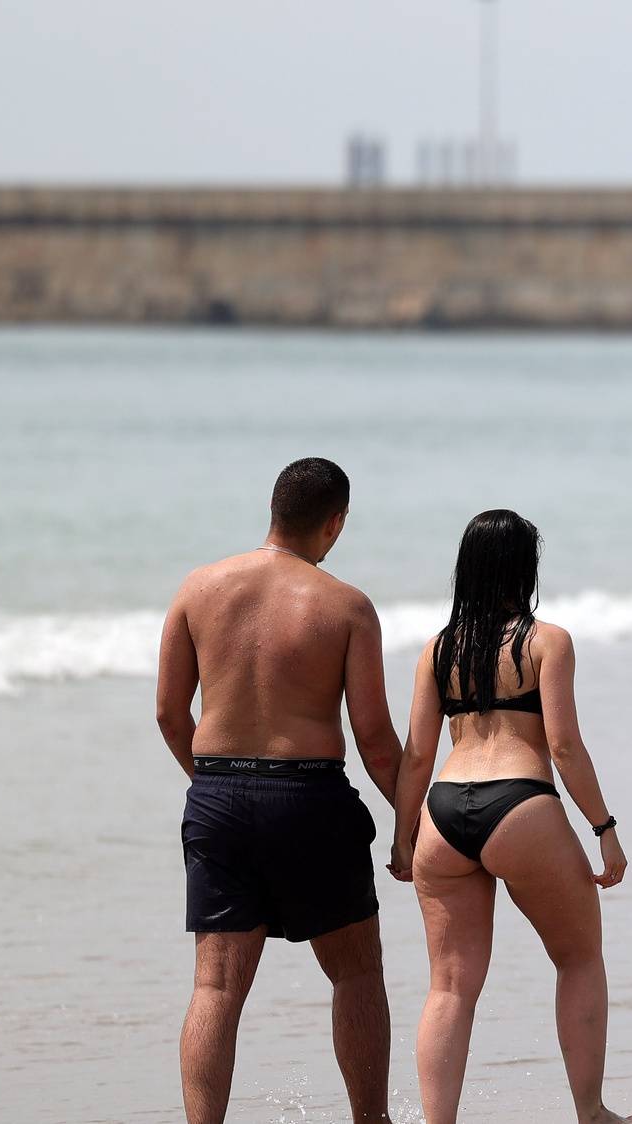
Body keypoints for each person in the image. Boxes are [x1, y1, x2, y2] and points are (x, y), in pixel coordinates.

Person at [155, 457, 402, 1124]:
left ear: (272, 511)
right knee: (355, 972)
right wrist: (412, 824)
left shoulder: (197, 588)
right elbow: (376, 737)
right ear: (334, 523)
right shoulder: (346, 606)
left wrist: (212, 787)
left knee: (215, 983)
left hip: (218, 796)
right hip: (310, 799)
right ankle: (370, 1122)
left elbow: (168, 714)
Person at [390, 510, 632, 1124]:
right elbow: (563, 746)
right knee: (579, 958)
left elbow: (419, 752)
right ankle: (591, 1113)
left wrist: (405, 838)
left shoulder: (438, 648)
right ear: (526, 569)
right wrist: (605, 829)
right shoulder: (546, 641)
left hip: (444, 815)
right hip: (520, 804)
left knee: (450, 986)